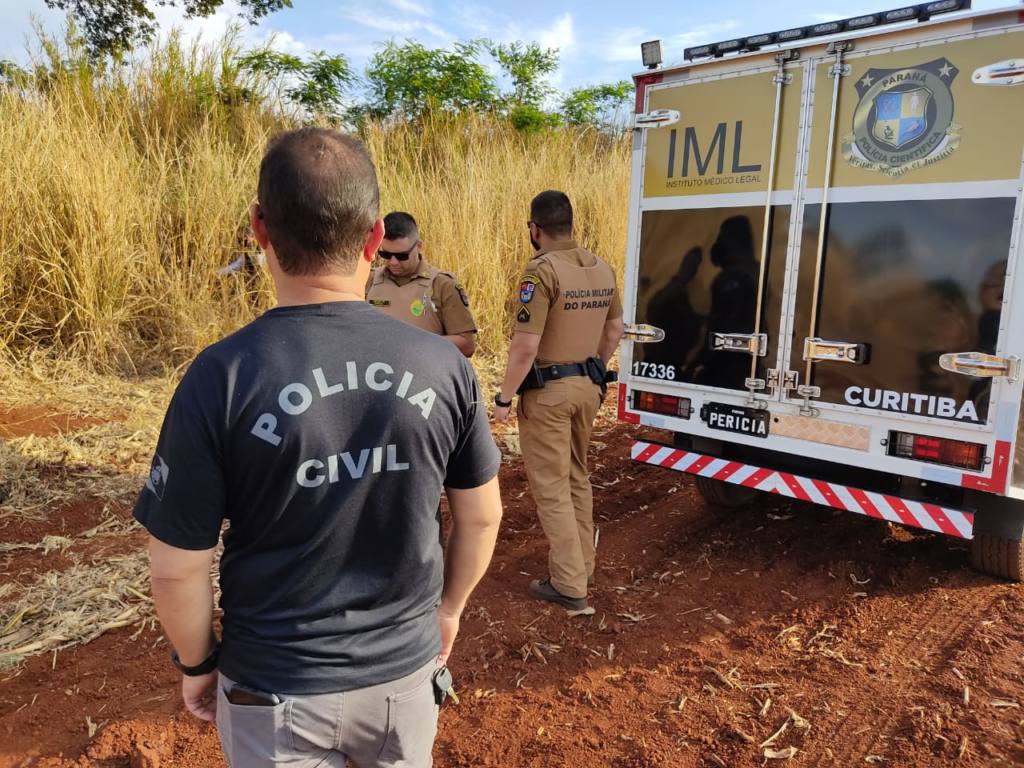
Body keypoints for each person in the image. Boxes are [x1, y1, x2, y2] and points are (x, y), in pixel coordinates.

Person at [134, 127, 503, 768]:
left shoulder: (221, 376)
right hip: (404, 681)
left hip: (273, 690)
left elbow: (176, 566)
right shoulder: (444, 366)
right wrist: (448, 612)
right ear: (372, 236)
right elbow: (481, 515)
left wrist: (196, 663)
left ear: (259, 230)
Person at [493, 190, 624, 614]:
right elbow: (614, 331)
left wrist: (503, 397)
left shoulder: (541, 272)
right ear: (571, 224)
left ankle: (569, 584)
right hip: (588, 387)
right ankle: (582, 566)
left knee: (551, 487)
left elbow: (525, 348)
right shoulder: (602, 268)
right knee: (575, 478)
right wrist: (596, 371)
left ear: (535, 229)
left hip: (548, 393)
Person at [366, 212, 478, 358]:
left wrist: (414, 344)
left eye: (402, 256)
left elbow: (467, 344)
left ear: (419, 246)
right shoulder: (369, 280)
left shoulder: (442, 285)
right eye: (386, 255)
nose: (393, 262)